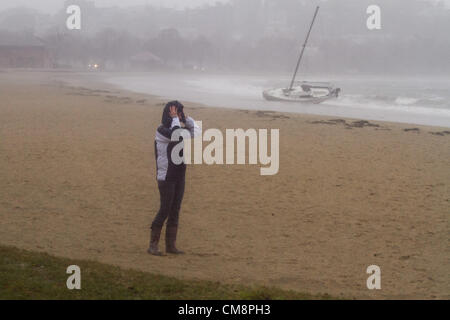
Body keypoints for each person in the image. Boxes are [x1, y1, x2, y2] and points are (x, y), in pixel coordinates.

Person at [148, 101, 200, 256]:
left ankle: (171, 245)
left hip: (179, 175)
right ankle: (153, 245)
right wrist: (176, 120)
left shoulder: (178, 128)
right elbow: (176, 135)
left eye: (179, 113)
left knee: (175, 210)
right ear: (169, 114)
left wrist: (186, 118)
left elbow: (196, 133)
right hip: (166, 177)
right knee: (165, 209)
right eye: (176, 113)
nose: (178, 116)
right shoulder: (162, 130)